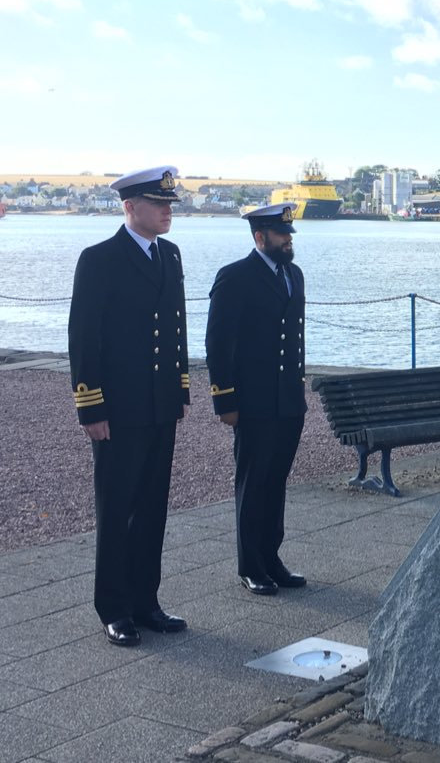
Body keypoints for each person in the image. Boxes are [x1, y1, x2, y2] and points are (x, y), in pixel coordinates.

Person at [68, 165, 190, 646]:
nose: (167, 211)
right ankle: (114, 607)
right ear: (129, 207)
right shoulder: (100, 259)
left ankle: (146, 601)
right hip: (117, 409)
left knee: (153, 508)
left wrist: (179, 390)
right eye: (158, 204)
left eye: (170, 204)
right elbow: (84, 338)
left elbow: (175, 328)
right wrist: (91, 408)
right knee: (117, 508)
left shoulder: (171, 255)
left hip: (159, 405)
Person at [205, 203, 307, 596]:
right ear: (259, 237)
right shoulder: (235, 277)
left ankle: (271, 556)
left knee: (277, 480)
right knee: (253, 480)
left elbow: (295, 338)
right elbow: (218, 342)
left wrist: (297, 392)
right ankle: (251, 564)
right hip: (253, 400)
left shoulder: (293, 275)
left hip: (287, 400)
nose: (288, 240)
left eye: (290, 233)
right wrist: (224, 399)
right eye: (281, 235)